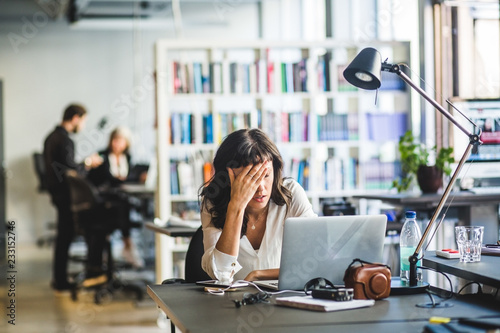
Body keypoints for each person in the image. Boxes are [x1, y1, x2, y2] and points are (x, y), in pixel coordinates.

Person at [199, 128, 316, 283]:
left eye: (266, 175)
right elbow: (221, 273)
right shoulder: (212, 203)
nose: (261, 188)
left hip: (282, 296)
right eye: (250, 178)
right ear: (228, 179)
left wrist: (258, 275)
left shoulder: (291, 194)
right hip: (233, 302)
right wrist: (236, 207)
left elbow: (316, 262)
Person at [43, 103, 103, 292]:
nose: (83, 126)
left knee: (63, 237)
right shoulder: (64, 140)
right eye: (83, 121)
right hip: (66, 196)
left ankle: (59, 279)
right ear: (75, 118)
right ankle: (63, 281)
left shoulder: (51, 137)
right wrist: (88, 163)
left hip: (57, 194)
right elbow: (70, 171)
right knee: (66, 237)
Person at [87, 127, 144, 268]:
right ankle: (127, 244)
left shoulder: (128, 157)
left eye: (120, 141)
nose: (117, 144)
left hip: (120, 199)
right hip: (103, 201)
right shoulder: (101, 156)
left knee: (125, 204)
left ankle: (124, 246)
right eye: (115, 140)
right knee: (123, 207)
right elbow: (105, 179)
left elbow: (129, 177)